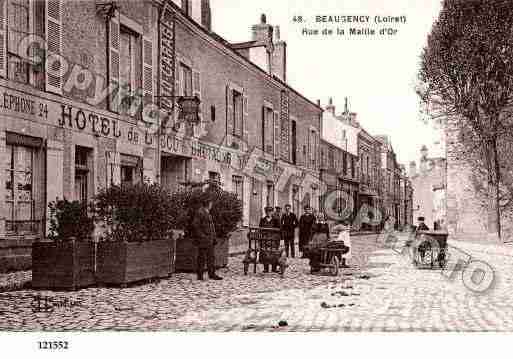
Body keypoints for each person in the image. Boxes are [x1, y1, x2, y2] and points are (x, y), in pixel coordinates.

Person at [191, 197, 222, 281]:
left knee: (211, 257)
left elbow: (211, 227)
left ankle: (211, 274)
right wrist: (202, 236)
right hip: (203, 240)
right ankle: (200, 275)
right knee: (202, 257)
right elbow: (195, 225)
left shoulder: (208, 213)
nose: (211, 205)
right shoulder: (200, 212)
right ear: (208, 204)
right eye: (211, 203)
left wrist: (214, 238)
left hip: (210, 239)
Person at [259, 206, 280, 273]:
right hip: (265, 238)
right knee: (265, 252)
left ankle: (274, 268)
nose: (268, 213)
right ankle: (266, 268)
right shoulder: (262, 219)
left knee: (273, 252)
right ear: (265, 212)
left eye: (270, 211)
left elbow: (279, 229)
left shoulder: (275, 220)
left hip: (273, 239)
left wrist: (276, 236)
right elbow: (260, 229)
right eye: (267, 212)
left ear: (272, 212)